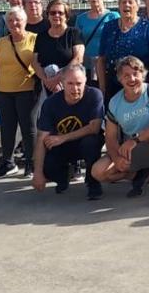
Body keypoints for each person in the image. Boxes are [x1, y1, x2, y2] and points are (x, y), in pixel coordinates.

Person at [91, 56, 149, 209]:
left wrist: (135, 140)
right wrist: (117, 158)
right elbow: (110, 138)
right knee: (98, 172)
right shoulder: (114, 102)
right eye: (126, 75)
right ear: (119, 79)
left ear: (143, 74)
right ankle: (138, 175)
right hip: (130, 152)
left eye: (136, 74)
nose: (132, 78)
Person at [32, 64, 104, 200]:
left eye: (79, 83)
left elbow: (94, 127)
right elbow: (42, 137)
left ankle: (93, 183)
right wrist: (37, 173)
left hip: (84, 142)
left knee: (92, 142)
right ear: (62, 82)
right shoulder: (50, 103)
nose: (75, 88)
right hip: (62, 146)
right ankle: (62, 177)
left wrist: (63, 137)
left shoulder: (94, 95)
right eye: (70, 83)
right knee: (46, 162)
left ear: (85, 81)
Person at [0, 6, 38, 179]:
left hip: (26, 91)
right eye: (10, 20)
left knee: (29, 130)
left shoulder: (34, 39)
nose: (14, 23)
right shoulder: (2, 42)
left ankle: (32, 164)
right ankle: (8, 163)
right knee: (6, 130)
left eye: (18, 19)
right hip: (3, 92)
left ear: (25, 21)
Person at [96, 0, 149, 102]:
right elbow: (101, 59)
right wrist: (102, 88)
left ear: (137, 6)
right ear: (119, 6)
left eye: (130, 2)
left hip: (140, 87)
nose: (127, 5)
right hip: (114, 87)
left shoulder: (147, 27)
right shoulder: (109, 27)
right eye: (123, 2)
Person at [32, 0, 84, 97]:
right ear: (48, 15)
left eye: (60, 13)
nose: (56, 15)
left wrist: (57, 78)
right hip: (46, 87)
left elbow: (78, 58)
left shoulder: (74, 33)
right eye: (53, 13)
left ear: (67, 16)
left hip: (70, 85)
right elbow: (34, 62)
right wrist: (46, 81)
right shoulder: (41, 36)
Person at [75, 0, 116, 87]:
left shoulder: (113, 16)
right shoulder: (80, 19)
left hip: (108, 64)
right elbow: (76, 42)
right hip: (87, 65)